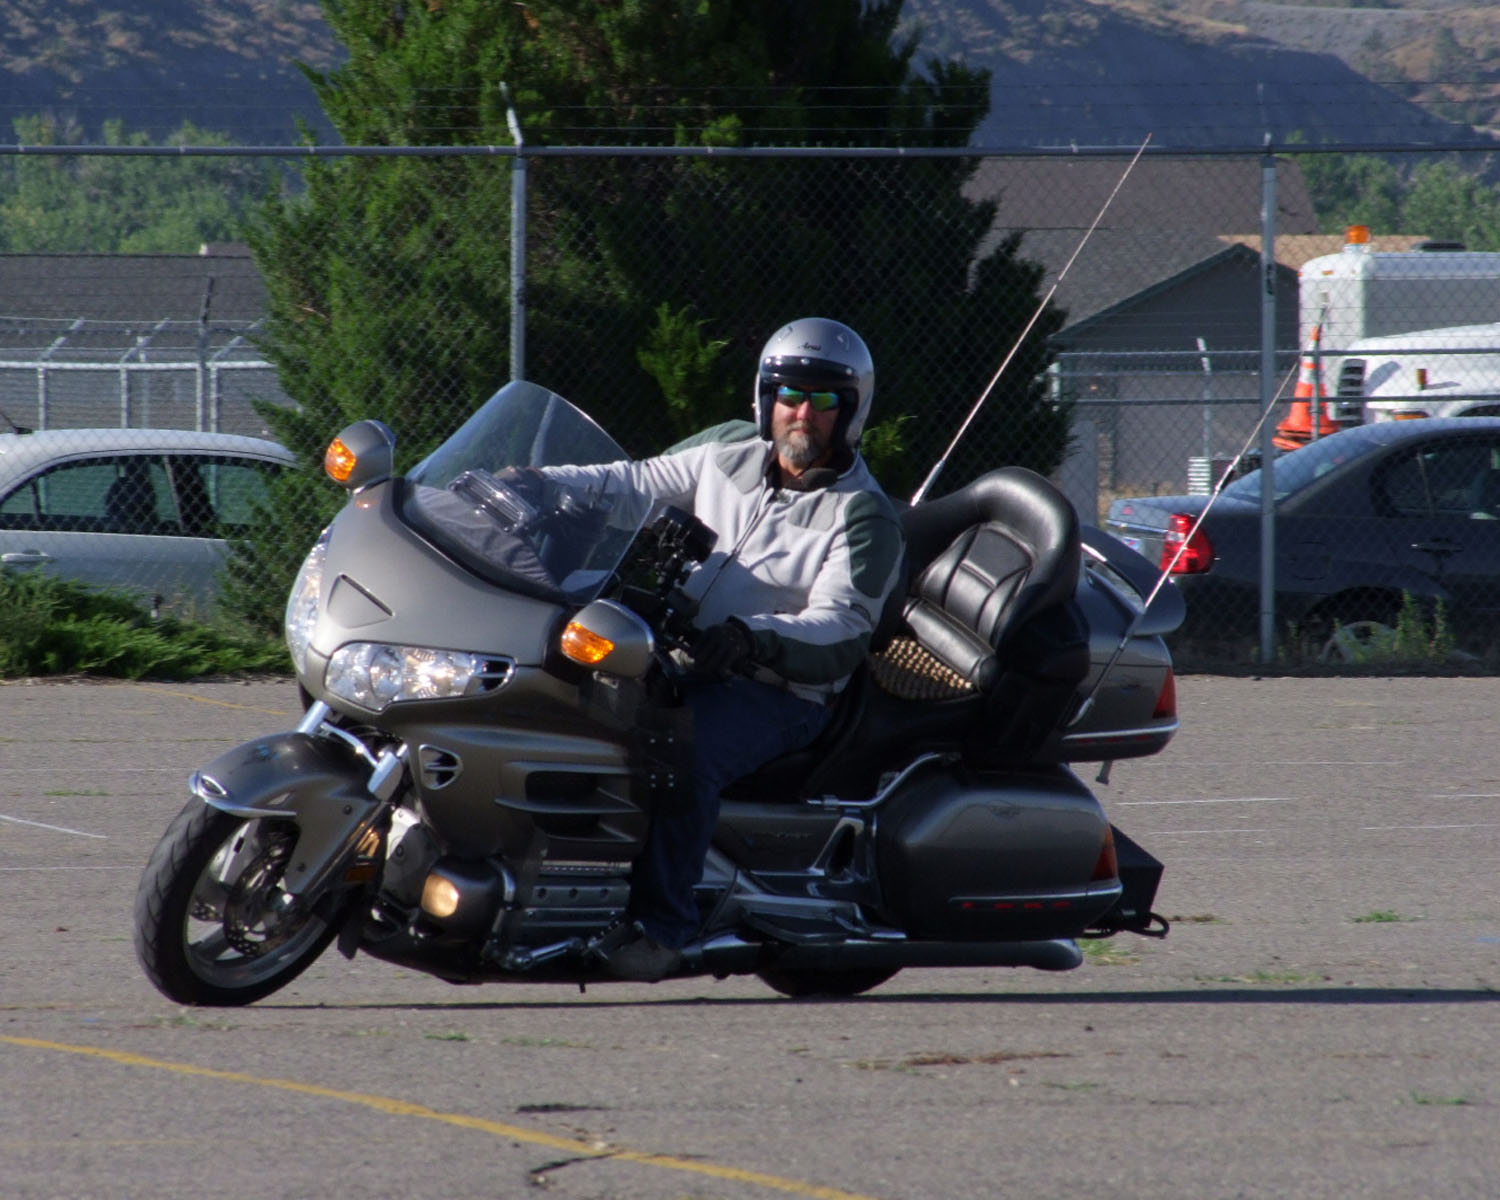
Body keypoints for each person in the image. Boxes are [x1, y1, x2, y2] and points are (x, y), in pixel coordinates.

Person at [549, 317, 905, 980]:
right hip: (686, 655)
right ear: (766, 398)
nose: (802, 414)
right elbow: (632, 482)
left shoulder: (863, 515)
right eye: (789, 395)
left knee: (685, 748)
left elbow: (842, 627)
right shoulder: (727, 451)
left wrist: (749, 638)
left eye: (824, 400)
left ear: (851, 411)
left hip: (781, 690)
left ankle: (663, 927)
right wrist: (534, 485)